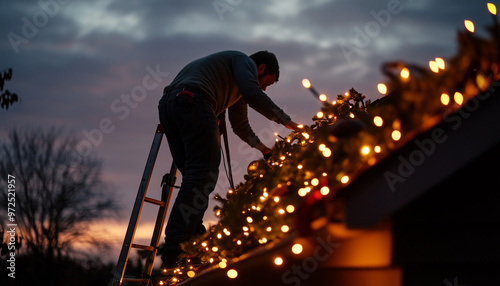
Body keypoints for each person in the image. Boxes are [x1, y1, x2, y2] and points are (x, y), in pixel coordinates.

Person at [158, 50, 301, 270]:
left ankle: (193, 242)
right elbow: (254, 93)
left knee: (194, 178)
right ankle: (175, 248)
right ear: (260, 68)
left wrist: (264, 149)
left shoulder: (234, 81)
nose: (264, 88)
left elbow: (240, 125)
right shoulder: (242, 61)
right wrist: (289, 123)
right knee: (203, 176)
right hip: (196, 101)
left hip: (170, 106)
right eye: (267, 83)